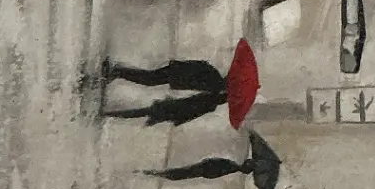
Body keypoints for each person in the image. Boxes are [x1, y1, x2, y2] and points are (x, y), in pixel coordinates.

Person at [100, 40, 260, 128]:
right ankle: (117, 74)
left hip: (175, 76)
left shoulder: (213, 78)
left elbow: (195, 68)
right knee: (148, 86)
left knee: (149, 80)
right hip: (175, 82)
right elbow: (192, 109)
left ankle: (118, 72)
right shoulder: (213, 95)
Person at [142, 131, 282, 189]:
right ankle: (159, 174)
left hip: (211, 168)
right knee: (185, 173)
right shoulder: (259, 167)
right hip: (211, 169)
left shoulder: (260, 160)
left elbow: (256, 143)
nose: (248, 162)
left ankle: (159, 173)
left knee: (185, 172)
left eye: (249, 163)